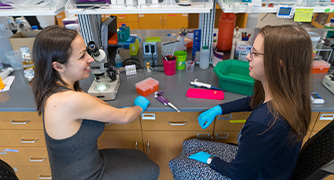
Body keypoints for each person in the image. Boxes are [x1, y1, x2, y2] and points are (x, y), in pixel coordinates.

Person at [170, 24, 313, 180]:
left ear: (278, 63)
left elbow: (237, 173)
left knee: (182, 163)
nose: (248, 57)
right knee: (190, 146)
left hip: (247, 174)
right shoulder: (291, 98)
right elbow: (254, 101)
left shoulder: (264, 122)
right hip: (264, 168)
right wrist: (218, 109)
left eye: (255, 53)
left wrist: (210, 159)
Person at [31, 25, 160, 180]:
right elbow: (124, 117)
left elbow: (94, 104)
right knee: (151, 169)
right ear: (58, 66)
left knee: (139, 157)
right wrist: (139, 107)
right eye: (81, 56)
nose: (90, 59)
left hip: (87, 164)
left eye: (87, 52)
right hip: (87, 176)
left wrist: (113, 112)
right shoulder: (69, 100)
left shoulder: (52, 89)